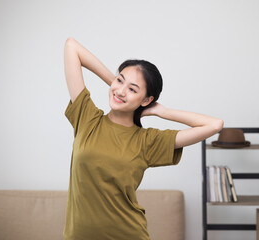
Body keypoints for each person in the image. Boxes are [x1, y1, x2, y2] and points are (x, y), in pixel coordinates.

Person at [63, 37, 224, 240]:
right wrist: (116, 85)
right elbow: (71, 47)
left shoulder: (148, 141)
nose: (121, 91)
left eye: (133, 89)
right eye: (120, 80)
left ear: (147, 100)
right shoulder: (87, 118)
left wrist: (162, 111)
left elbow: (214, 125)